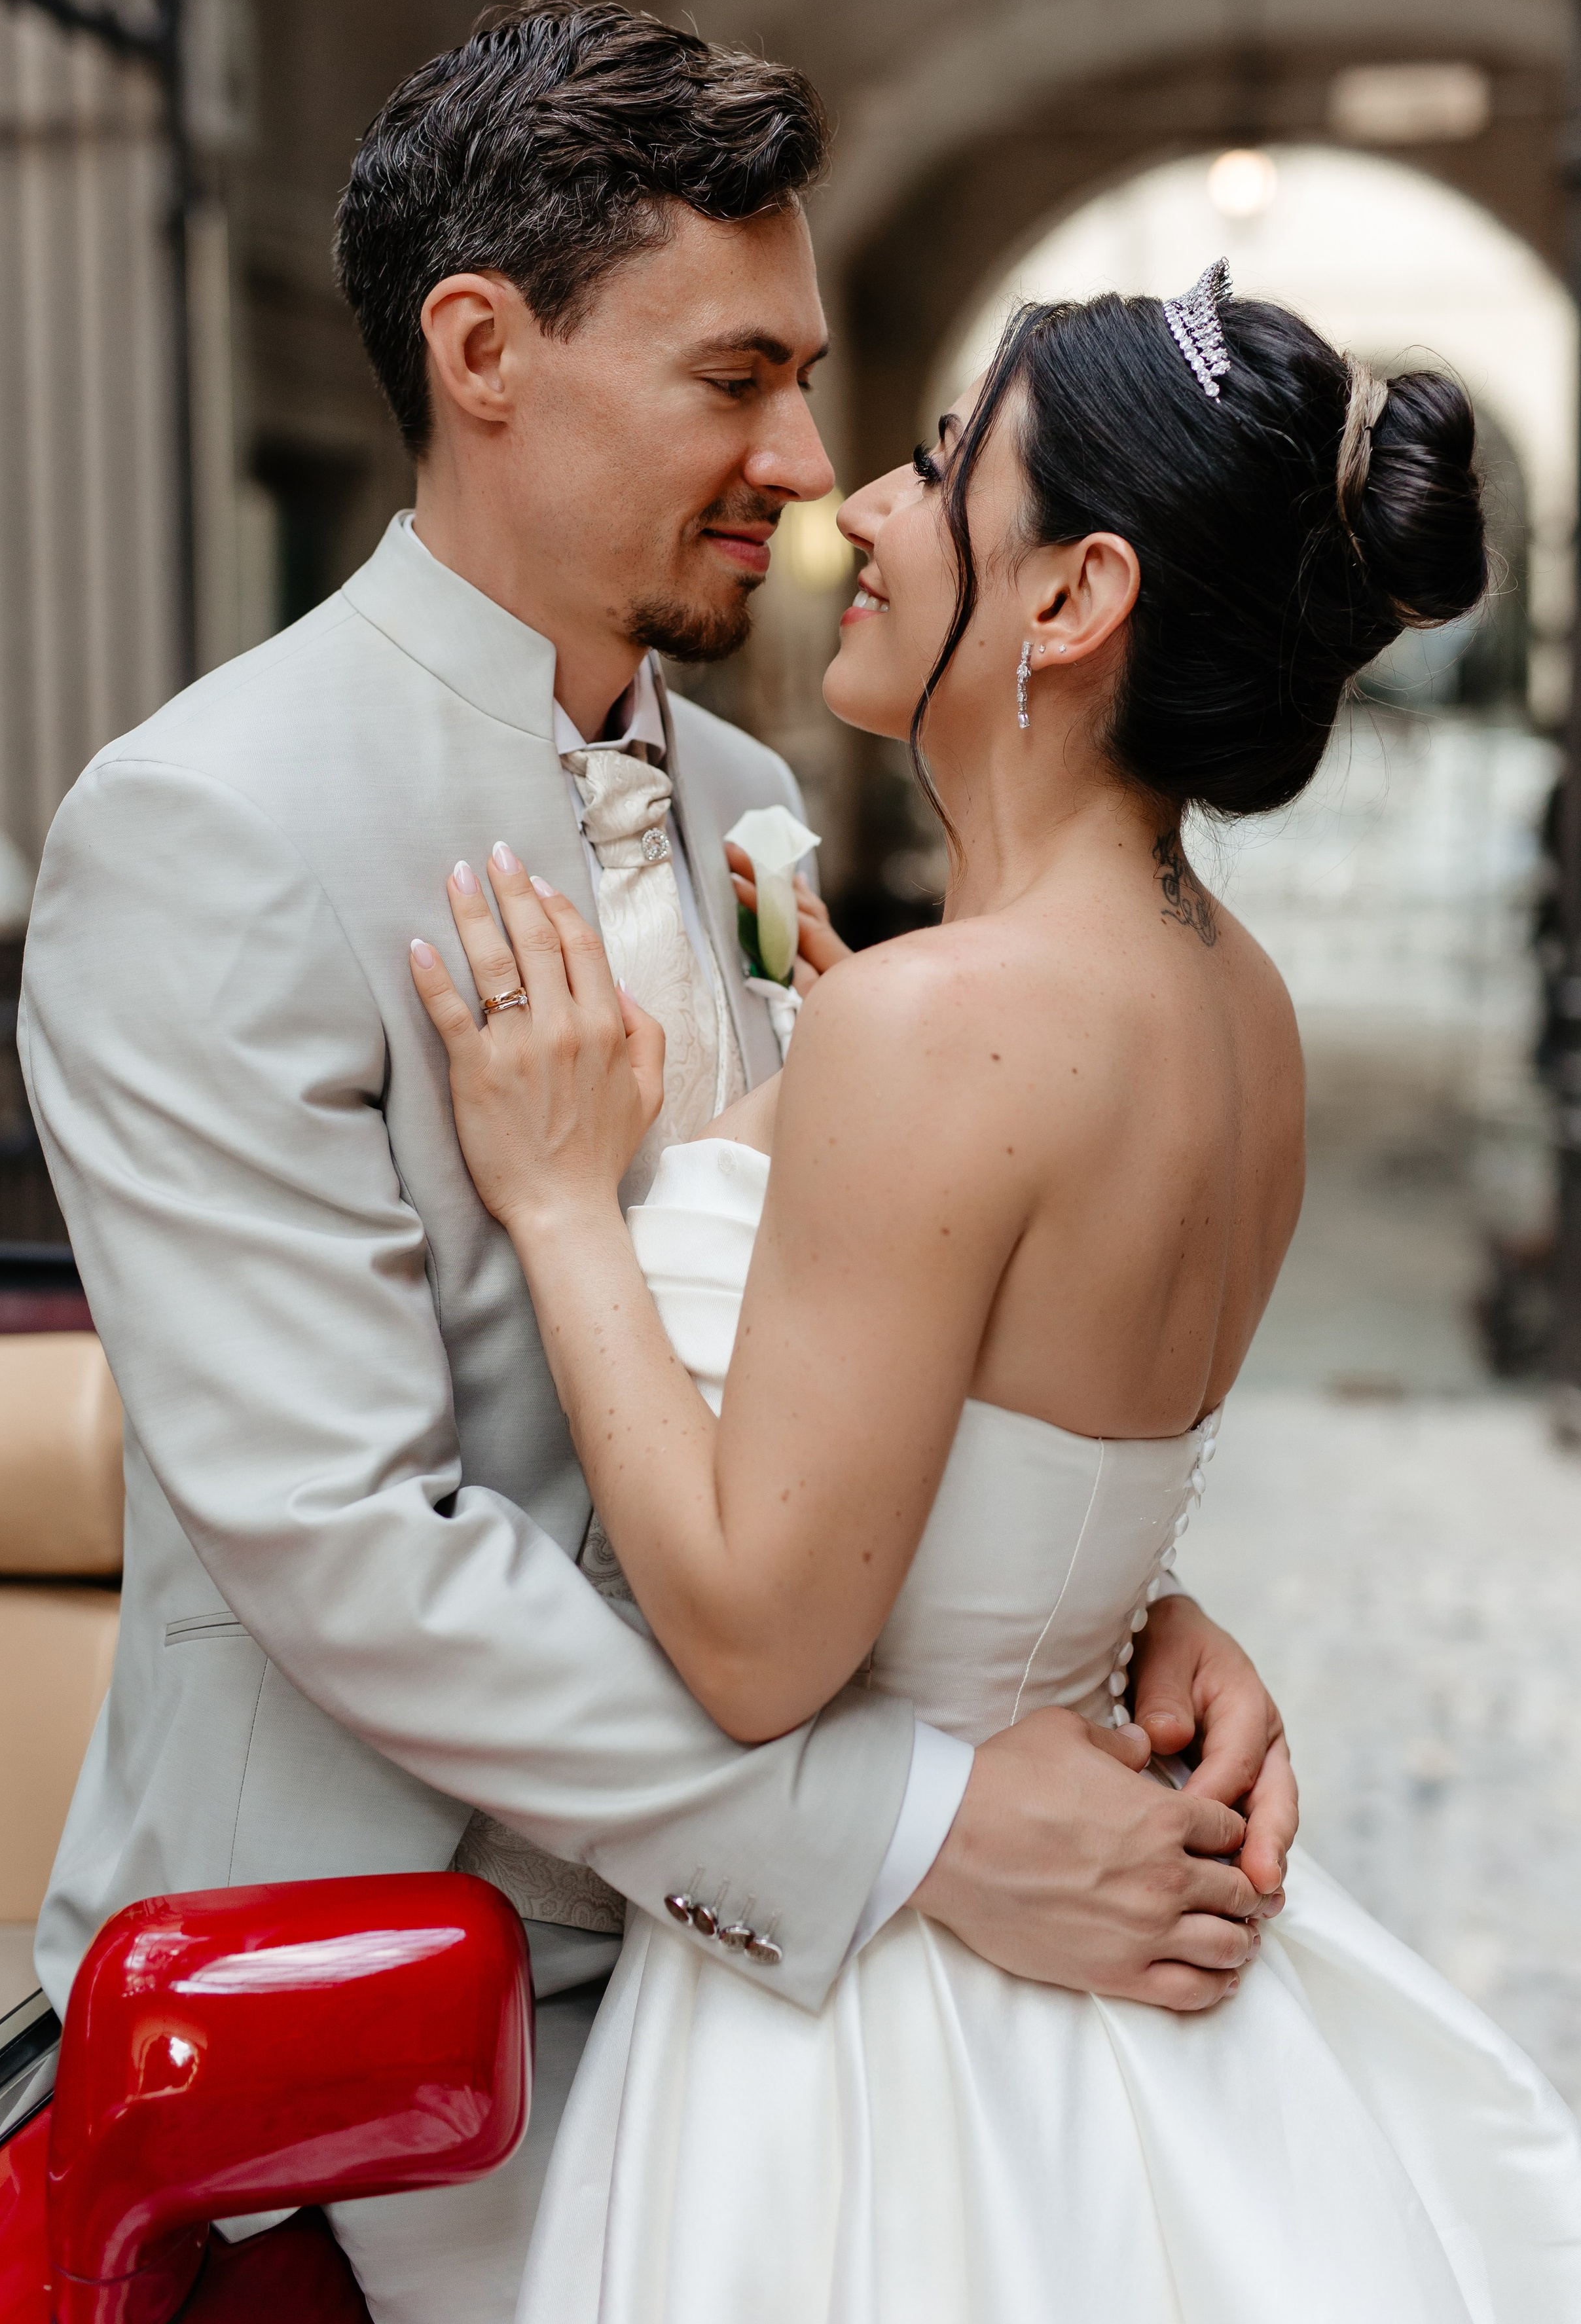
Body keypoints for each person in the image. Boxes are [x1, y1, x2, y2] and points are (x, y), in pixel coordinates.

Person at [19, 3, 1292, 2322]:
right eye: (733, 380)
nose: (803, 465)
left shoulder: (741, 807)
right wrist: (914, 1834)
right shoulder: (204, 831)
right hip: (388, 2014)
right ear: (482, 353)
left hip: (757, 1982)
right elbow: (347, 1542)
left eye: (806, 382)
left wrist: (1100, 1601)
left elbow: (846, 1327)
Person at [412, 263, 1581, 2319]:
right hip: (1110, 1972)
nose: (862, 505)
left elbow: (757, 1643)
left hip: (878, 2044)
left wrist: (569, 1209)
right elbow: (1042, 1457)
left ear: (1073, 597)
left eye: (946, 466)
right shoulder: (1242, 1007)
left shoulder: (941, 1031)